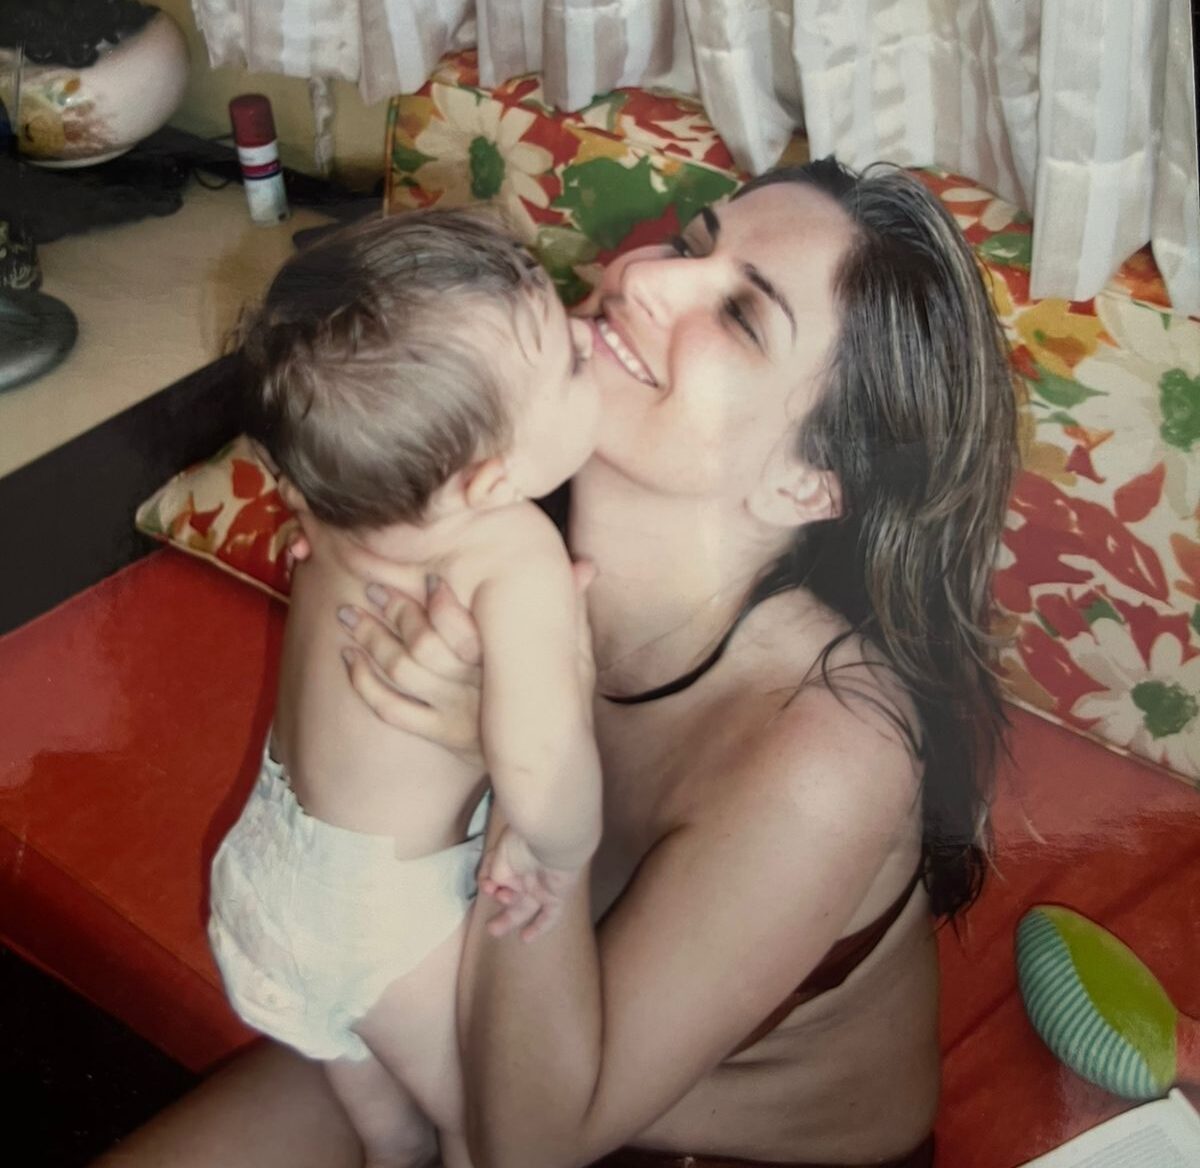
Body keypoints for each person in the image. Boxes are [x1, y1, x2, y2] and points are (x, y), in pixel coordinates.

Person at [93, 157, 1017, 1168]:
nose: (645, 275)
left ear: (809, 482)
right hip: (459, 995)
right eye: (691, 241)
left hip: (678, 1140)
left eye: (742, 317)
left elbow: (527, 1140)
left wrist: (511, 763)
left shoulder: (830, 754)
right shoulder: (499, 479)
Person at [206, 209, 603, 1168]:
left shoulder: (333, 507)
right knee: (480, 1125)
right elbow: (539, 759)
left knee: (391, 1136)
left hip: (265, 873)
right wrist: (559, 850)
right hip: (377, 917)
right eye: (572, 365)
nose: (592, 338)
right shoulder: (511, 552)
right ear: (487, 483)